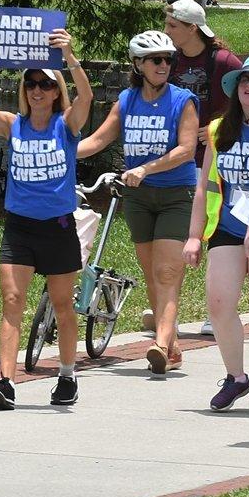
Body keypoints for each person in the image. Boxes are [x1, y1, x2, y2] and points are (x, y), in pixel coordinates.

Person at [0, 30, 91, 409]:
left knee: (63, 305)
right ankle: (5, 380)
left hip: (58, 226)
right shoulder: (12, 124)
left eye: (45, 84)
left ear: (55, 91)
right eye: (32, 83)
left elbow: (86, 96)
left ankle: (67, 375)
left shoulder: (66, 125)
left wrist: (68, 57)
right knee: (12, 299)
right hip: (19, 227)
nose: (37, 90)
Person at [79, 31, 198, 374]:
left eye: (167, 59)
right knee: (151, 273)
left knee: (167, 271)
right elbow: (100, 138)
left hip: (177, 194)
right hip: (138, 198)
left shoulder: (183, 100)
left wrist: (146, 168)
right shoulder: (128, 100)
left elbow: (186, 149)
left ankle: (160, 345)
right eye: (155, 60)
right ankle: (171, 347)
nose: (164, 65)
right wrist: (61, 149)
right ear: (138, 64)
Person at [183, 56, 249, 414]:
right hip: (226, 230)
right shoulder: (217, 130)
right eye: (246, 79)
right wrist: (194, 236)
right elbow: (204, 187)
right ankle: (236, 377)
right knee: (218, 303)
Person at [165, 0, 243, 169]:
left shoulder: (225, 62)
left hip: (212, 159)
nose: (166, 31)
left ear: (192, 28)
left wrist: (222, 128)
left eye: (173, 26)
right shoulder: (168, 61)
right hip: (174, 159)